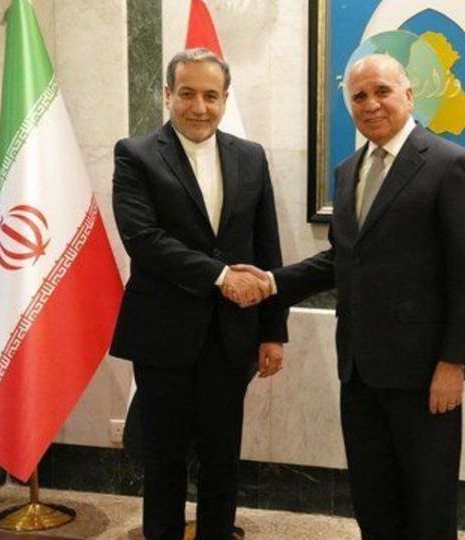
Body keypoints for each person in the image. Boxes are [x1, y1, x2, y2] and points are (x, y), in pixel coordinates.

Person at [238, 53, 465, 539]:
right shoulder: (348, 169)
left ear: (409, 95)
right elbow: (343, 259)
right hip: (358, 371)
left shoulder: (450, 165)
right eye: (358, 96)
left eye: (382, 91)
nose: (370, 103)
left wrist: (454, 363)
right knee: (374, 502)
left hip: (424, 375)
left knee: (428, 505)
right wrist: (271, 282)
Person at [109, 48, 284, 540]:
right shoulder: (136, 154)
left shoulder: (251, 156)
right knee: (163, 462)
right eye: (187, 94)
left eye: (211, 95)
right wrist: (220, 276)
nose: (200, 107)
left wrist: (273, 332)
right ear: (168, 95)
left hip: (231, 338)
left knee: (222, 460)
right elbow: (143, 240)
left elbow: (266, 248)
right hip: (163, 336)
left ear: (225, 98)